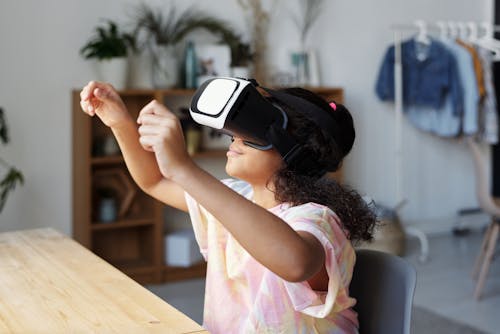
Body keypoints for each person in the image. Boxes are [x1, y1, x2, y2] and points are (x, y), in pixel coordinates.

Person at [79, 80, 376, 333]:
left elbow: (295, 262)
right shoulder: (234, 197)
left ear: (295, 153)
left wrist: (185, 169)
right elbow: (154, 181)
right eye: (235, 130)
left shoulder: (317, 219)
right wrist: (120, 123)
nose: (236, 138)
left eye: (252, 133)